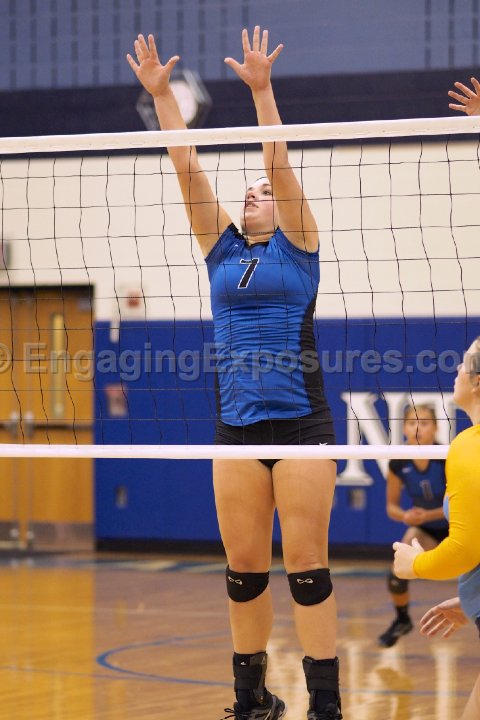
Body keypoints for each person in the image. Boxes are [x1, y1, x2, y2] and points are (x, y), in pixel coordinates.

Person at [127, 26, 342, 720]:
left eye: (264, 191)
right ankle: (252, 700)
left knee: (305, 567)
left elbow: (277, 160)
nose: (254, 194)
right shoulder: (222, 252)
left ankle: (326, 704)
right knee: (243, 572)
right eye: (247, 191)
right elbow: (186, 167)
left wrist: (261, 91)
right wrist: (163, 97)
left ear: (284, 205)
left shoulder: (300, 247)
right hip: (237, 429)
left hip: (302, 425)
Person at [393, 337, 480, 720]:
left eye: (463, 363)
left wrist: (414, 565)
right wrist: (472, 600)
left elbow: (463, 550)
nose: (456, 370)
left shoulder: (469, 446)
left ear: (477, 382)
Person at [378, 403, 448, 648]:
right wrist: (406, 515)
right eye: (411, 423)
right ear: (404, 428)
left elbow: (458, 505)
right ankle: (402, 619)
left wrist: (426, 515)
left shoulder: (446, 457)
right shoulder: (399, 462)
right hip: (426, 529)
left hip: (457, 525)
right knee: (397, 572)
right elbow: (391, 507)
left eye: (425, 423)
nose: (418, 428)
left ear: (436, 428)